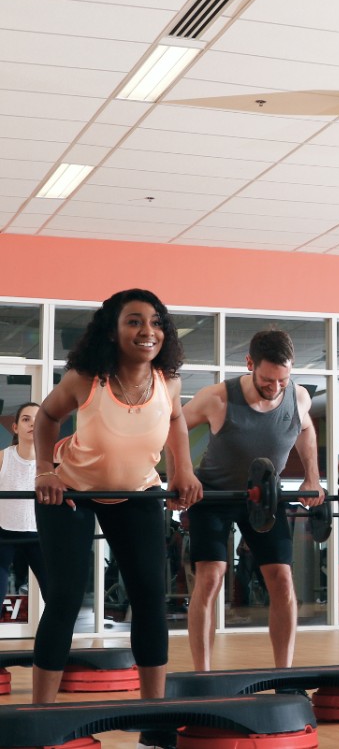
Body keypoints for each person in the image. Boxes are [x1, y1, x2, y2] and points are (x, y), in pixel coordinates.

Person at [30, 289, 203, 714]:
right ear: (112, 330)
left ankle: (153, 718)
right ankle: (39, 717)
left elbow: (177, 420)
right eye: (135, 321)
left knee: (149, 598)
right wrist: (44, 471)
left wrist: (183, 468)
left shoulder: (169, 382)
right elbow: (47, 417)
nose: (148, 331)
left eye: (156, 322)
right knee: (66, 598)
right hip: (71, 494)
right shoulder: (85, 379)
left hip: (137, 493)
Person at [182, 329, 324, 671]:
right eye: (267, 380)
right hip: (213, 494)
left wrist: (312, 475)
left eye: (283, 380)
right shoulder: (217, 397)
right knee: (211, 577)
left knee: (282, 579)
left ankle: (283, 674)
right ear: (249, 364)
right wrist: (182, 474)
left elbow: (305, 429)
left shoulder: (298, 396)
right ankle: (202, 675)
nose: (275, 388)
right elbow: (174, 428)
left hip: (265, 495)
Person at [0, 403, 45, 607]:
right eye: (26, 419)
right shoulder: (3, 457)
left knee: (54, 595)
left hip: (39, 535)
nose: (32, 424)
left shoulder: (52, 462)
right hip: (4, 534)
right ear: (16, 427)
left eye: (37, 420)